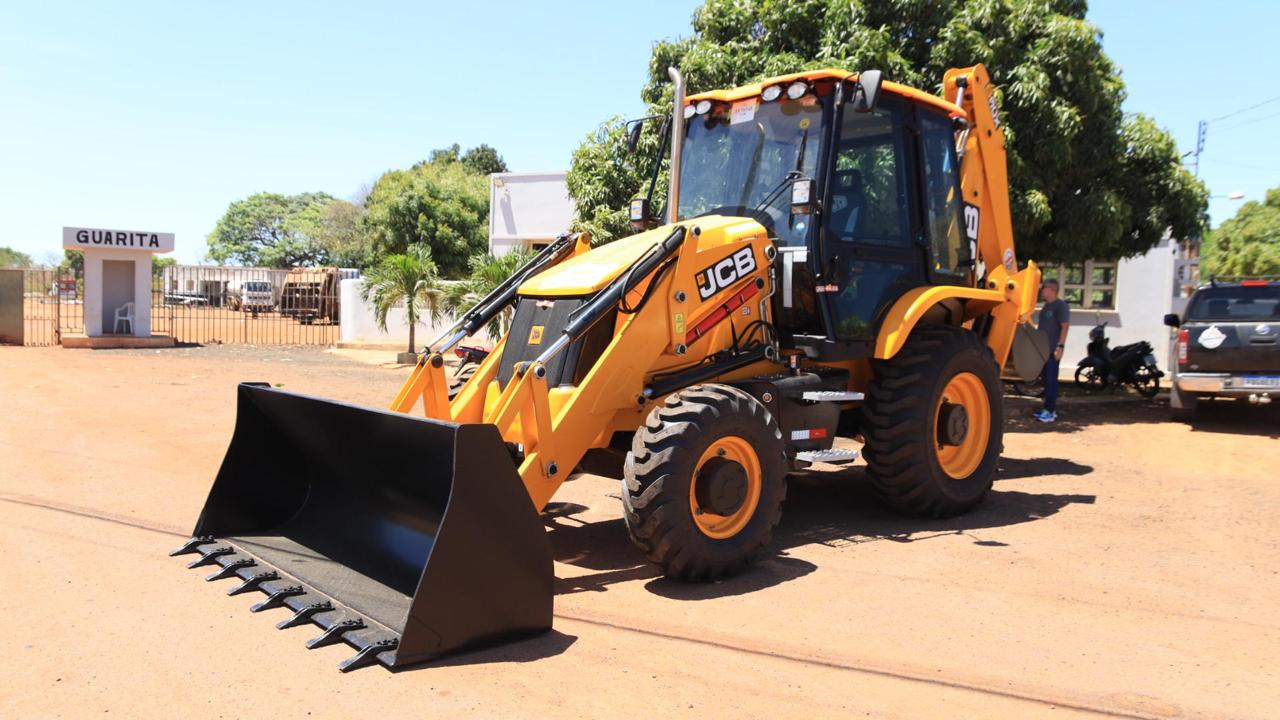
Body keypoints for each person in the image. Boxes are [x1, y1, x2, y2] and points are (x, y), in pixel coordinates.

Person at [1035, 279, 1070, 422]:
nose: (1041, 290)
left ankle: (1050, 411)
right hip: (1043, 351)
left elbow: (1065, 326)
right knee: (1045, 380)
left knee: (1051, 381)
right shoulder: (1046, 306)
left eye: (1043, 288)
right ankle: (1046, 409)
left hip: (1052, 350)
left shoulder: (1060, 306)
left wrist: (1060, 346)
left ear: (1051, 289)